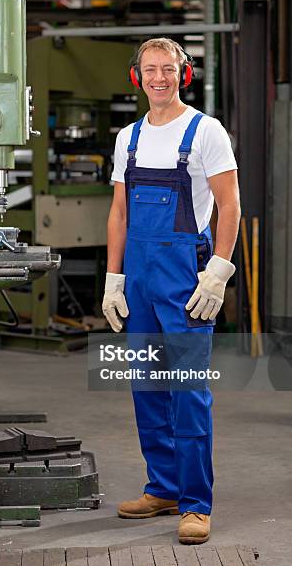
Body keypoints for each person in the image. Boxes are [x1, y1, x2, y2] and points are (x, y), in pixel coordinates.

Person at [102, 37, 240, 544]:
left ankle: (196, 504)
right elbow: (119, 212)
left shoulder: (207, 132)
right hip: (138, 277)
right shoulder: (128, 138)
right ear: (136, 76)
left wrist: (219, 271)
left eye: (169, 69)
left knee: (186, 389)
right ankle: (162, 488)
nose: (159, 77)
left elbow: (230, 206)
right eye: (150, 70)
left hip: (186, 278)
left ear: (185, 73)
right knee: (146, 386)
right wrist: (114, 278)